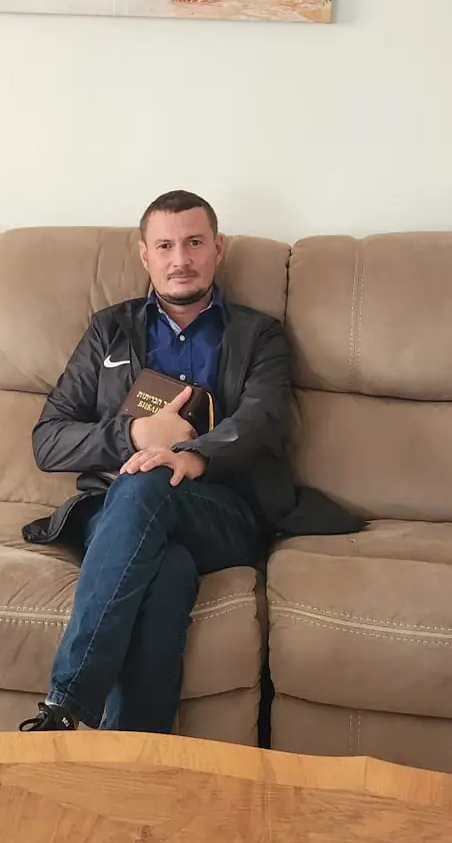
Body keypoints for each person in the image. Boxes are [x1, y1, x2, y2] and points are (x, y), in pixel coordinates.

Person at [19, 190, 362, 733]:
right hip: (115, 513)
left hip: (217, 509)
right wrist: (134, 433)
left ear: (217, 249)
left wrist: (194, 455)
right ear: (145, 256)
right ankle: (133, 763)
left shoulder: (258, 335)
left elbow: (263, 419)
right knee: (168, 570)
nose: (181, 258)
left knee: (151, 480)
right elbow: (49, 440)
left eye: (194, 242)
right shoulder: (110, 329)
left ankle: (64, 703)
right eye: (166, 245)